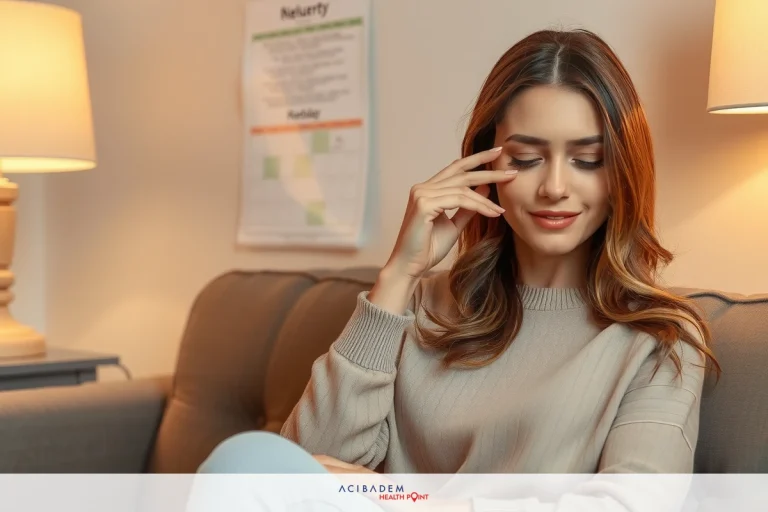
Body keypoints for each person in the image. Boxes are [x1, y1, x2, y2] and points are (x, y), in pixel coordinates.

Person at [195, 28, 720, 510]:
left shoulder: (660, 338)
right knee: (244, 463)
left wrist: (405, 499)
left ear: (622, 170)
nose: (555, 187)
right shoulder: (422, 304)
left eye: (587, 160)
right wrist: (398, 276)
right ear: (484, 164)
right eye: (527, 158)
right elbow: (302, 470)